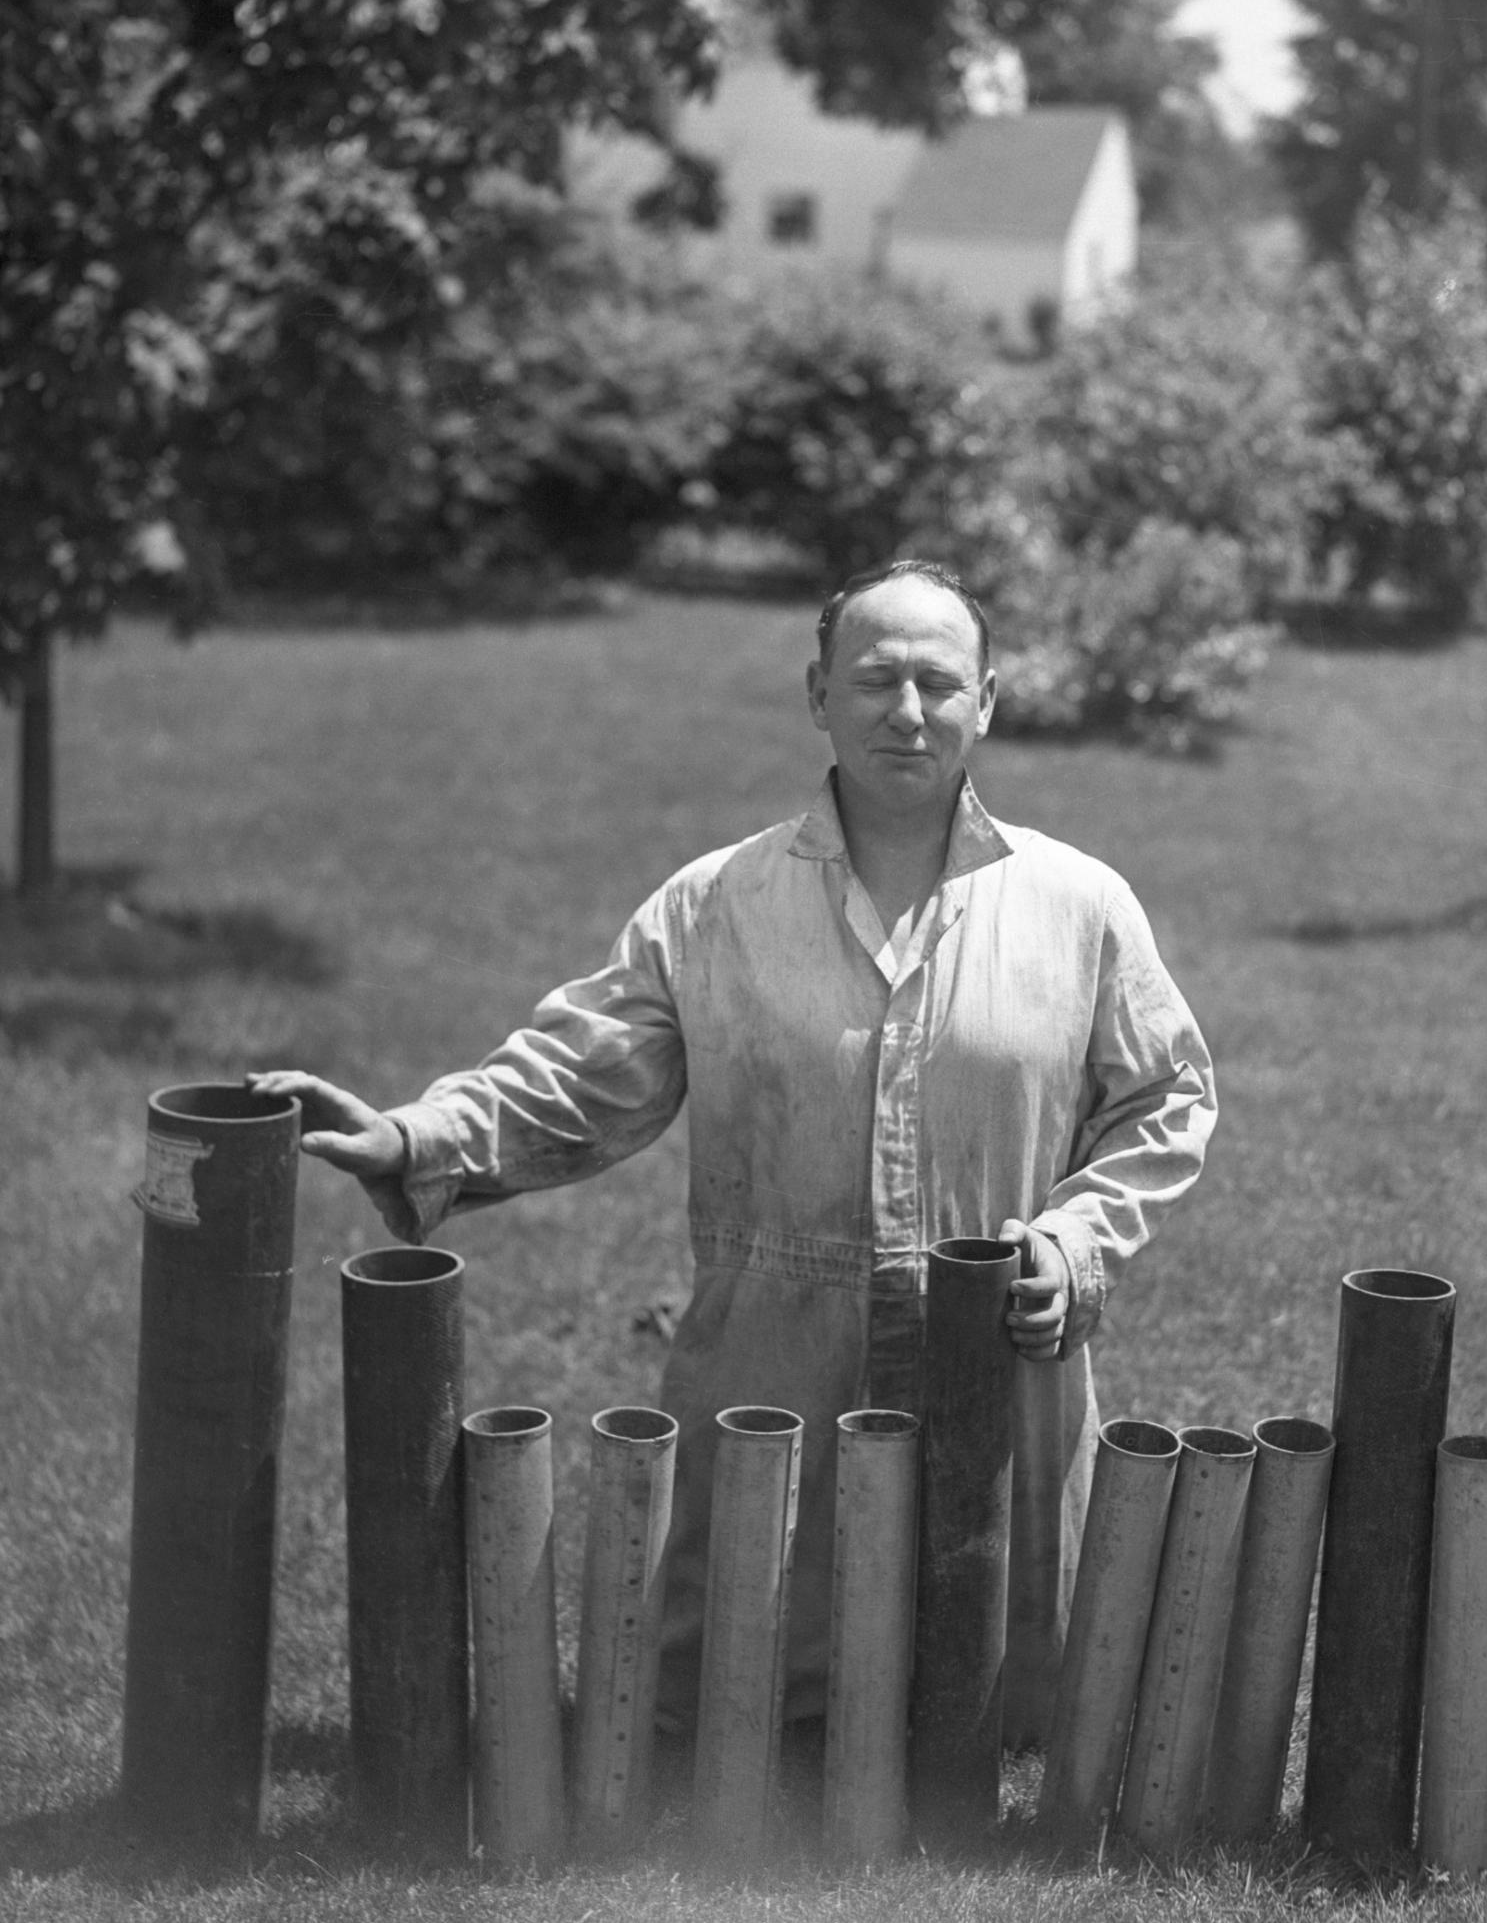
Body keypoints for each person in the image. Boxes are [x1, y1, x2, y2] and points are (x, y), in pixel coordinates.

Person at [251, 560, 1216, 1739]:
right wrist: (415, 1132)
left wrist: (1074, 1240)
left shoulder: (1082, 905)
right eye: (872, 680)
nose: (905, 711)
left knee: (997, 1705)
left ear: (990, 701)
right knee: (752, 1701)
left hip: (1000, 1346)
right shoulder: (714, 905)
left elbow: (1164, 1098)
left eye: (936, 682)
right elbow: (580, 1072)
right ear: (818, 693)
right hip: (772, 1354)